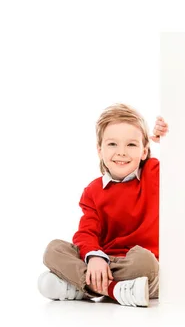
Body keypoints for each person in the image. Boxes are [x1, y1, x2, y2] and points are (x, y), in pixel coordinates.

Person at [37, 103, 168, 307]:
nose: (122, 152)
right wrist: (95, 259)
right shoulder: (93, 191)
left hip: (136, 265)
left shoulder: (153, 174)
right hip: (104, 262)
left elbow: (184, 163)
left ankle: (84, 287)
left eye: (131, 145)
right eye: (113, 144)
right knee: (53, 249)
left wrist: (169, 140)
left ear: (144, 151)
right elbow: (86, 233)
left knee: (145, 262)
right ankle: (116, 290)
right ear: (100, 150)